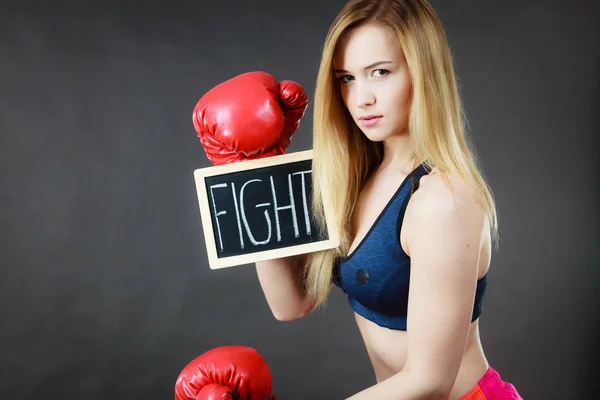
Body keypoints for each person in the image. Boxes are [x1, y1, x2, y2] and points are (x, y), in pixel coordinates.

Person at [254, 1, 523, 399]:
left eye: (380, 72)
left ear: (423, 71)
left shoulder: (442, 200)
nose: (361, 98)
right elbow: (290, 304)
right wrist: (257, 169)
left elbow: (429, 381)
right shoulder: (352, 177)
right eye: (346, 77)